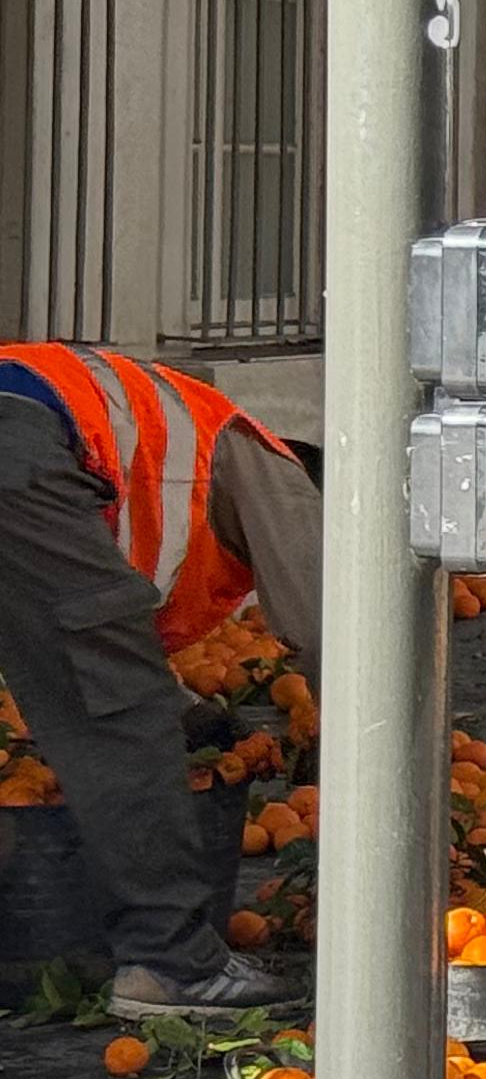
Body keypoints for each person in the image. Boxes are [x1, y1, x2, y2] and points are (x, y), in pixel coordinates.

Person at [0, 344, 318, 1016]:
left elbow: (79, 621)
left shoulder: (157, 450)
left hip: (22, 436)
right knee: (120, 710)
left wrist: (192, 715)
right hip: (16, 446)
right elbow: (340, 641)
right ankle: (172, 962)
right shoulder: (278, 470)